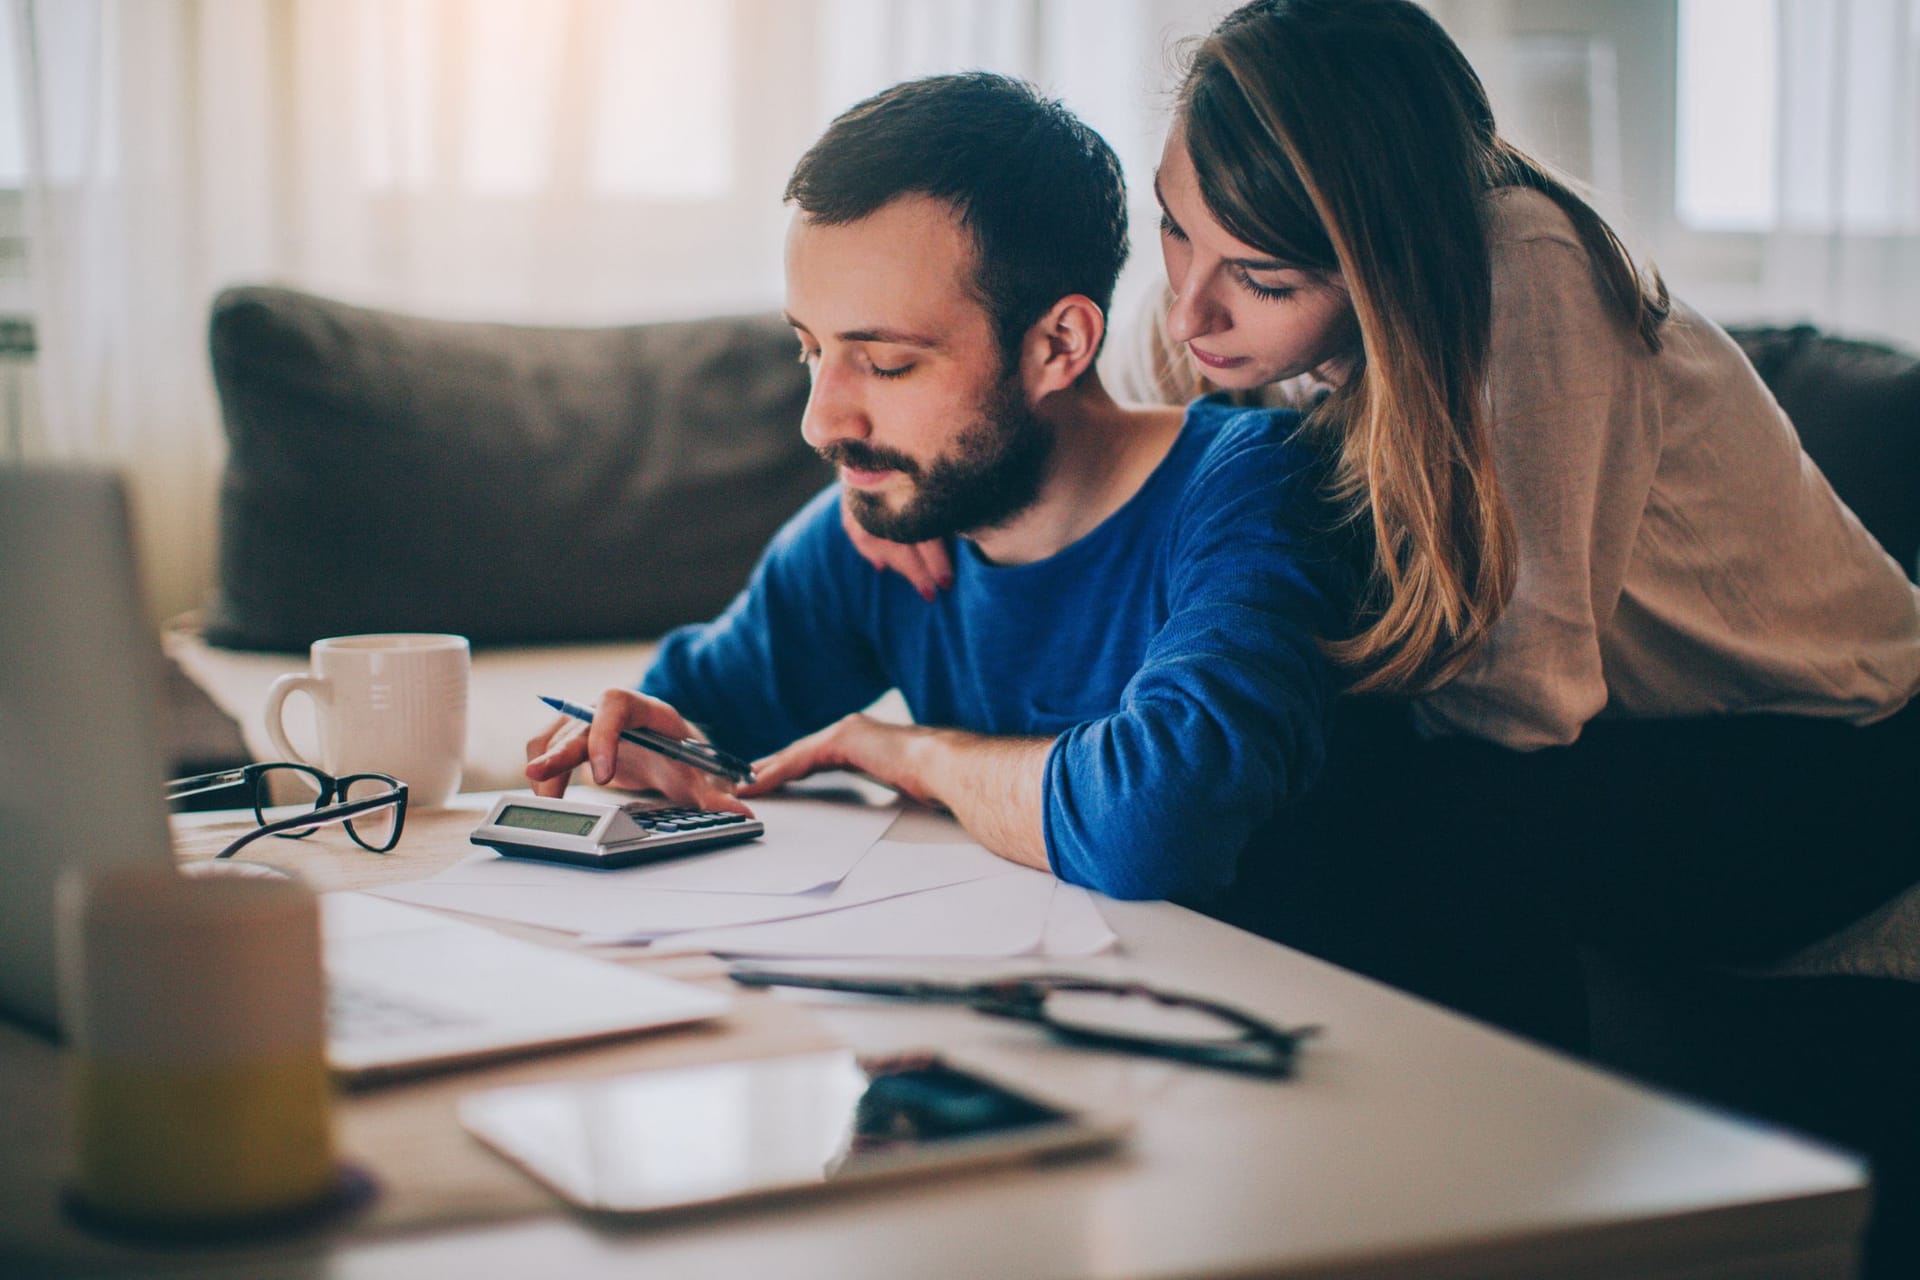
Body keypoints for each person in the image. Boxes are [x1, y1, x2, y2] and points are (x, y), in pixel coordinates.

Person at [844, 0, 1920, 1038]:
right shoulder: (1219, 287)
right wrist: (912, 477)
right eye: (1176, 233)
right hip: (1623, 733)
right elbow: (1085, 416)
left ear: (1381, 256)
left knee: (1369, 808)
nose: (1190, 309)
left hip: (1832, 745)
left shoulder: (1525, 279)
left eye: (1261, 279)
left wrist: (1213, 724)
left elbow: (1521, 700)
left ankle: (1498, 1180)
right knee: (1233, 766)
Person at [524, 72, 1354, 912]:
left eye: (886, 363)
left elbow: (1158, 826)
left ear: (1058, 346)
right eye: (810, 349)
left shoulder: (1256, 490)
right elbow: (697, 717)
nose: (820, 423)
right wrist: (644, 742)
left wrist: (911, 754)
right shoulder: (888, 525)